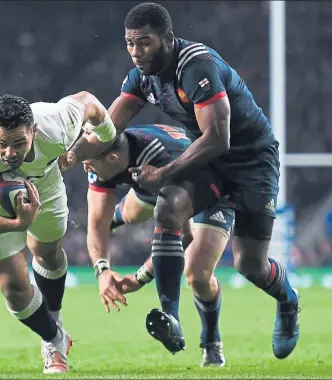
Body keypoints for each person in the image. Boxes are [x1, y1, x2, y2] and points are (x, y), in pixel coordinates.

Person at [67, 2, 300, 360]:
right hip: (208, 162)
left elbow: (218, 139)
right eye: (130, 43)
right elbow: (107, 131)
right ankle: (170, 315)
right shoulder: (141, 76)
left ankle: (288, 301)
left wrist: (162, 173)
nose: (135, 52)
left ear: (167, 39)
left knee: (250, 265)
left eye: (143, 42)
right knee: (169, 207)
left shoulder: (195, 66)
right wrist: (65, 156)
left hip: (250, 160)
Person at [0, 92, 116, 373]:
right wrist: (16, 224)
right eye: (1, 143)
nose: (10, 153)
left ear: (35, 132)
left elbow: (90, 103)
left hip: (45, 185)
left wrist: (107, 138)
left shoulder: (56, 125)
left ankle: (55, 319)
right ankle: (55, 340)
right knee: (13, 290)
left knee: (48, 254)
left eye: (19, 143)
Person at [84, 124, 234, 366]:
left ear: (111, 158)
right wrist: (102, 270)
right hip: (155, 180)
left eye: (89, 163)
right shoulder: (111, 150)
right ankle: (120, 215)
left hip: (209, 190)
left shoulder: (164, 160)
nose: (85, 166)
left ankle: (211, 340)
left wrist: (140, 277)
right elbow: (95, 223)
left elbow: (183, 237)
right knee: (127, 215)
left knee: (197, 275)